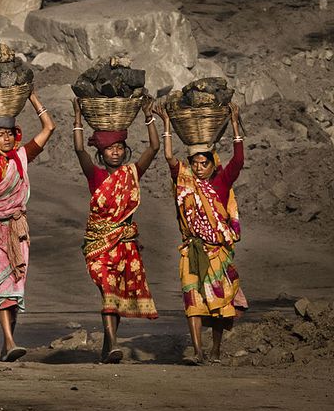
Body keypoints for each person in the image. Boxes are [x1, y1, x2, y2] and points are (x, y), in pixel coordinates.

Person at [0, 86, 55, 362]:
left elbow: (49, 128)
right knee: (4, 290)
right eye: (0, 134)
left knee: (14, 291)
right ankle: (9, 340)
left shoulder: (20, 158)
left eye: (9, 134)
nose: (6, 139)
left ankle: (8, 346)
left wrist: (32, 98)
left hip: (16, 231)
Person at [154, 102, 247, 365]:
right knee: (192, 300)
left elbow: (238, 160)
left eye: (203, 163)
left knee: (219, 304)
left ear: (212, 164)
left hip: (217, 251)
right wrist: (167, 125)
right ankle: (197, 351)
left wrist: (235, 124)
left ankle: (216, 350)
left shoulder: (221, 183)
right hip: (192, 250)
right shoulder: (185, 180)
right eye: (194, 163)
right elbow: (170, 159)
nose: (197, 168)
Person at [72, 97, 160, 364]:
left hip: (124, 244)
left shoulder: (132, 173)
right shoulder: (95, 176)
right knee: (108, 291)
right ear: (102, 153)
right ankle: (113, 345)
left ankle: (108, 347)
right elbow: (79, 150)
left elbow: (154, 147)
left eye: (120, 147)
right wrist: (77, 116)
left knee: (113, 296)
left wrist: (149, 116)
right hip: (98, 244)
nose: (116, 152)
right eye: (110, 148)